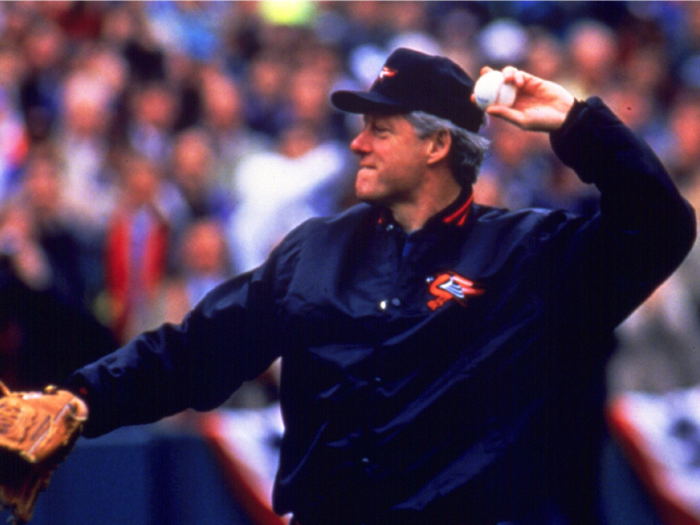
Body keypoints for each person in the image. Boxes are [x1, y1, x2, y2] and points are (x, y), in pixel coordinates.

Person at [62, 48, 695, 525]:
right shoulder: (314, 250)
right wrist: (80, 402)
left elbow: (661, 227)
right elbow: (193, 351)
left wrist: (576, 123)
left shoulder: (526, 254)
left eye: (381, 130)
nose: (359, 145)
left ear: (437, 146)